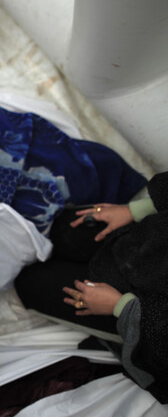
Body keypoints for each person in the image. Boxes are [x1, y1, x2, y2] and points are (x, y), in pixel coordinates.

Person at [15, 172, 168, 402]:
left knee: (29, 283)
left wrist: (121, 307)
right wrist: (136, 210)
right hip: (143, 241)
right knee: (51, 226)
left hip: (140, 308)